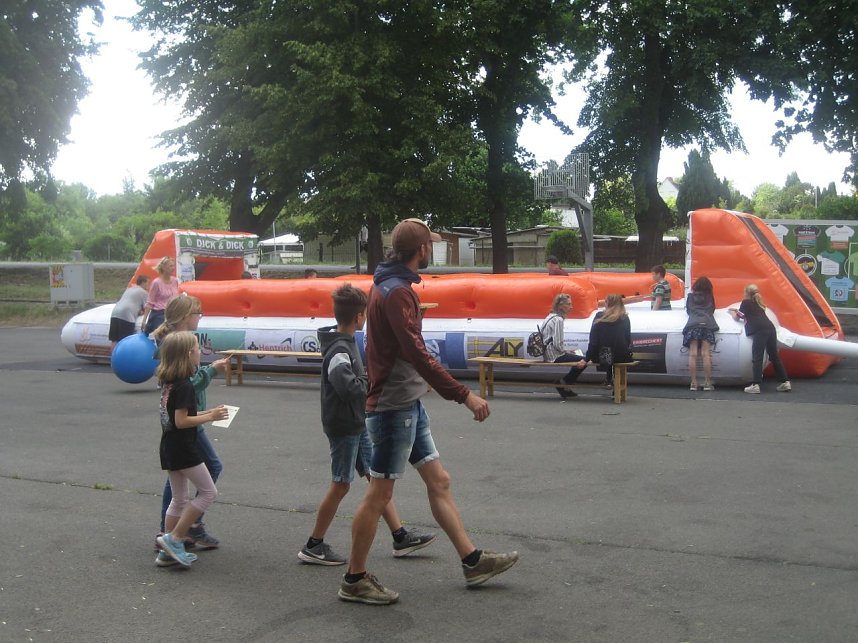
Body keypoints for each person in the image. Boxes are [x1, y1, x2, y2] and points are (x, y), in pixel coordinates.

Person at [339, 218, 518, 605]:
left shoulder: (387, 285)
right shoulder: (397, 292)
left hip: (406, 402)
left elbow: (407, 351)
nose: (432, 249)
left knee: (439, 481)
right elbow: (416, 353)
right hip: (393, 407)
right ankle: (354, 579)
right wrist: (464, 395)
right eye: (430, 245)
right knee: (379, 494)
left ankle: (472, 561)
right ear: (421, 250)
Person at [299, 283, 436, 566]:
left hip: (355, 422)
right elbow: (347, 386)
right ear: (359, 316)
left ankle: (400, 536)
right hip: (344, 425)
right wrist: (371, 381)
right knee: (341, 484)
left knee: (377, 480)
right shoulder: (339, 348)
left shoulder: (344, 342)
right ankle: (314, 544)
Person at [152, 295, 229, 552]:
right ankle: (182, 528)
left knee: (180, 481)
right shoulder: (176, 346)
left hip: (182, 428)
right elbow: (185, 391)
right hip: (184, 430)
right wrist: (212, 371)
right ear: (186, 316)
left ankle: (171, 534)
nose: (200, 317)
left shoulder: (181, 343)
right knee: (207, 473)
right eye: (198, 313)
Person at [728, 284, 792, 394]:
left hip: (760, 330)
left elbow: (738, 317)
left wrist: (732, 312)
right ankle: (785, 381)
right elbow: (747, 314)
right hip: (770, 328)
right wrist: (738, 311)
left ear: (746, 293)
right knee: (774, 356)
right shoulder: (758, 303)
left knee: (757, 356)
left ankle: (755, 384)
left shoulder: (746, 302)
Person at [542, 293, 588, 399]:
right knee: (584, 360)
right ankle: (564, 382)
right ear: (561, 306)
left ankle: (565, 385)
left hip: (548, 353)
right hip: (554, 356)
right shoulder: (558, 320)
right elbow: (557, 343)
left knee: (578, 359)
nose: (571, 307)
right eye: (568, 304)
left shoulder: (549, 316)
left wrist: (566, 351)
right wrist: (565, 351)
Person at [585, 294, 633, 388]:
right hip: (622, 356)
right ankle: (615, 383)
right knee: (615, 351)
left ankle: (609, 379)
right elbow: (627, 338)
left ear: (608, 303)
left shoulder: (600, 316)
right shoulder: (624, 317)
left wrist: (587, 357)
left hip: (604, 356)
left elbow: (593, 340)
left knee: (607, 350)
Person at [683, 276, 719, 391]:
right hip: (707, 325)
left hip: (693, 324)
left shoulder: (690, 296)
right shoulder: (709, 297)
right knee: (705, 354)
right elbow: (712, 309)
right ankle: (707, 383)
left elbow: (688, 311)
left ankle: (693, 383)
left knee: (692, 354)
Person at [108, 275, 150, 349]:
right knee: (126, 340)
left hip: (115, 313)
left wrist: (138, 311)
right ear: (143, 282)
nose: (149, 285)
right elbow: (148, 306)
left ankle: (113, 355)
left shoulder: (129, 289)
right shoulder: (143, 292)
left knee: (114, 339)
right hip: (127, 316)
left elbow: (130, 302)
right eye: (148, 283)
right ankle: (124, 355)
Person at [142, 257, 179, 335]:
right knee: (160, 337)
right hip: (159, 314)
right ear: (164, 268)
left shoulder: (175, 281)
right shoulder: (156, 283)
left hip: (172, 314)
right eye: (170, 266)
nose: (173, 268)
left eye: (173, 266)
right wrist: (144, 320)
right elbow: (150, 302)